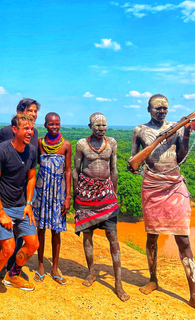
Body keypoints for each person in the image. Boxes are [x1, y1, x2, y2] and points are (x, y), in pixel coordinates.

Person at [129, 94, 195, 317]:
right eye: (157, 108)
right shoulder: (139, 130)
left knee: (184, 239)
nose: (162, 111)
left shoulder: (176, 128)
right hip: (152, 186)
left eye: (165, 108)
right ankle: (153, 280)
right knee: (151, 236)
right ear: (149, 109)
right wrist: (136, 166)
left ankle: (194, 295)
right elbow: (133, 161)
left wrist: (185, 132)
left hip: (174, 184)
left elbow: (182, 156)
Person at [73, 112, 130, 302]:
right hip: (86, 194)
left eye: (104, 125)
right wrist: (75, 195)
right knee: (87, 235)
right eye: (97, 125)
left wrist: (113, 193)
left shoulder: (112, 143)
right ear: (90, 126)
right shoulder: (81, 144)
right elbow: (76, 170)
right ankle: (91, 272)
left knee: (112, 236)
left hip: (106, 193)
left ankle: (118, 283)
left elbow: (114, 169)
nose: (101, 128)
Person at [0, 114, 39, 302]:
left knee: (33, 243)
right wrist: (1, 213)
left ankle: (13, 274)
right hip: (2, 207)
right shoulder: (1, 151)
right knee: (7, 248)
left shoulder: (32, 151)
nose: (30, 132)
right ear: (14, 130)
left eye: (31, 129)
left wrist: (29, 204)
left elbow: (31, 177)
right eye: (25, 128)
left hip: (21, 205)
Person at [0, 98, 40, 273]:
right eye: (30, 111)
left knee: (25, 238)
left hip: (24, 192)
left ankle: (13, 268)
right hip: (5, 192)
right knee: (6, 241)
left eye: (35, 112)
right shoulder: (5, 134)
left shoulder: (34, 136)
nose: (33, 115)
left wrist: (29, 202)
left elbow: (31, 171)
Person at [32, 112, 71, 285]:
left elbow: (68, 171)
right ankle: (40, 264)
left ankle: (54, 268)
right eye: (51, 124)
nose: (54, 126)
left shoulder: (66, 145)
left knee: (56, 230)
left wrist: (68, 196)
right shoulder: (39, 143)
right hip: (41, 191)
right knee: (40, 229)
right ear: (45, 125)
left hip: (58, 193)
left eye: (57, 124)